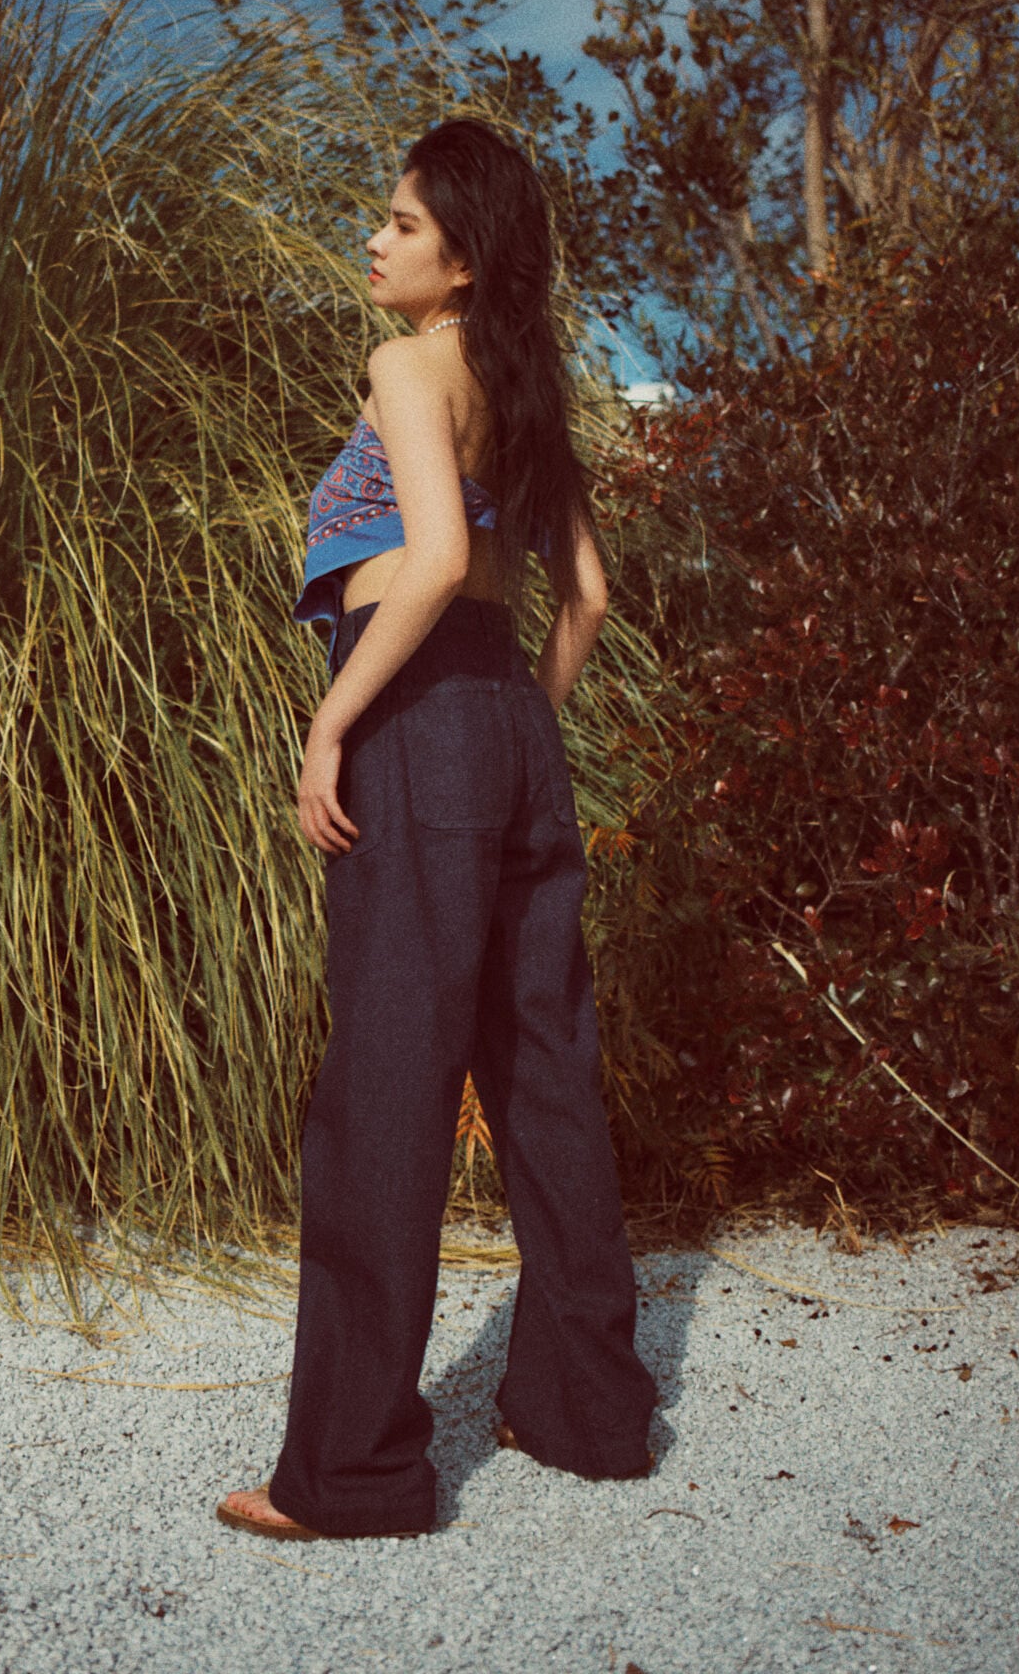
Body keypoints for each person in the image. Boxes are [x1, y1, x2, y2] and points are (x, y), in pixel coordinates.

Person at [216, 119, 659, 1542]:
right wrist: (518, 724)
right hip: (512, 730)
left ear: (461, 260)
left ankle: (350, 1474)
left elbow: (440, 556)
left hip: (415, 721)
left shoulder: (409, 366)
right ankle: (589, 1413)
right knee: (544, 1071)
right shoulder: (526, 387)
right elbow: (585, 596)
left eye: (403, 223)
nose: (377, 239)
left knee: (387, 1088)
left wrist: (334, 722)